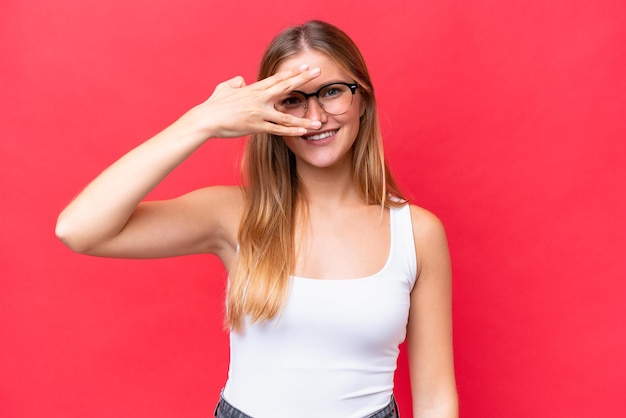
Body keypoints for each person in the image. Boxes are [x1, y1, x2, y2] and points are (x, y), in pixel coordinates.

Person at [56, 20, 458, 418]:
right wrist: (202, 121)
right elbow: (78, 230)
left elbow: (436, 400)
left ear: (363, 101)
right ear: (266, 113)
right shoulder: (233, 216)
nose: (315, 118)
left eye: (332, 92)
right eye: (293, 99)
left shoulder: (417, 233)